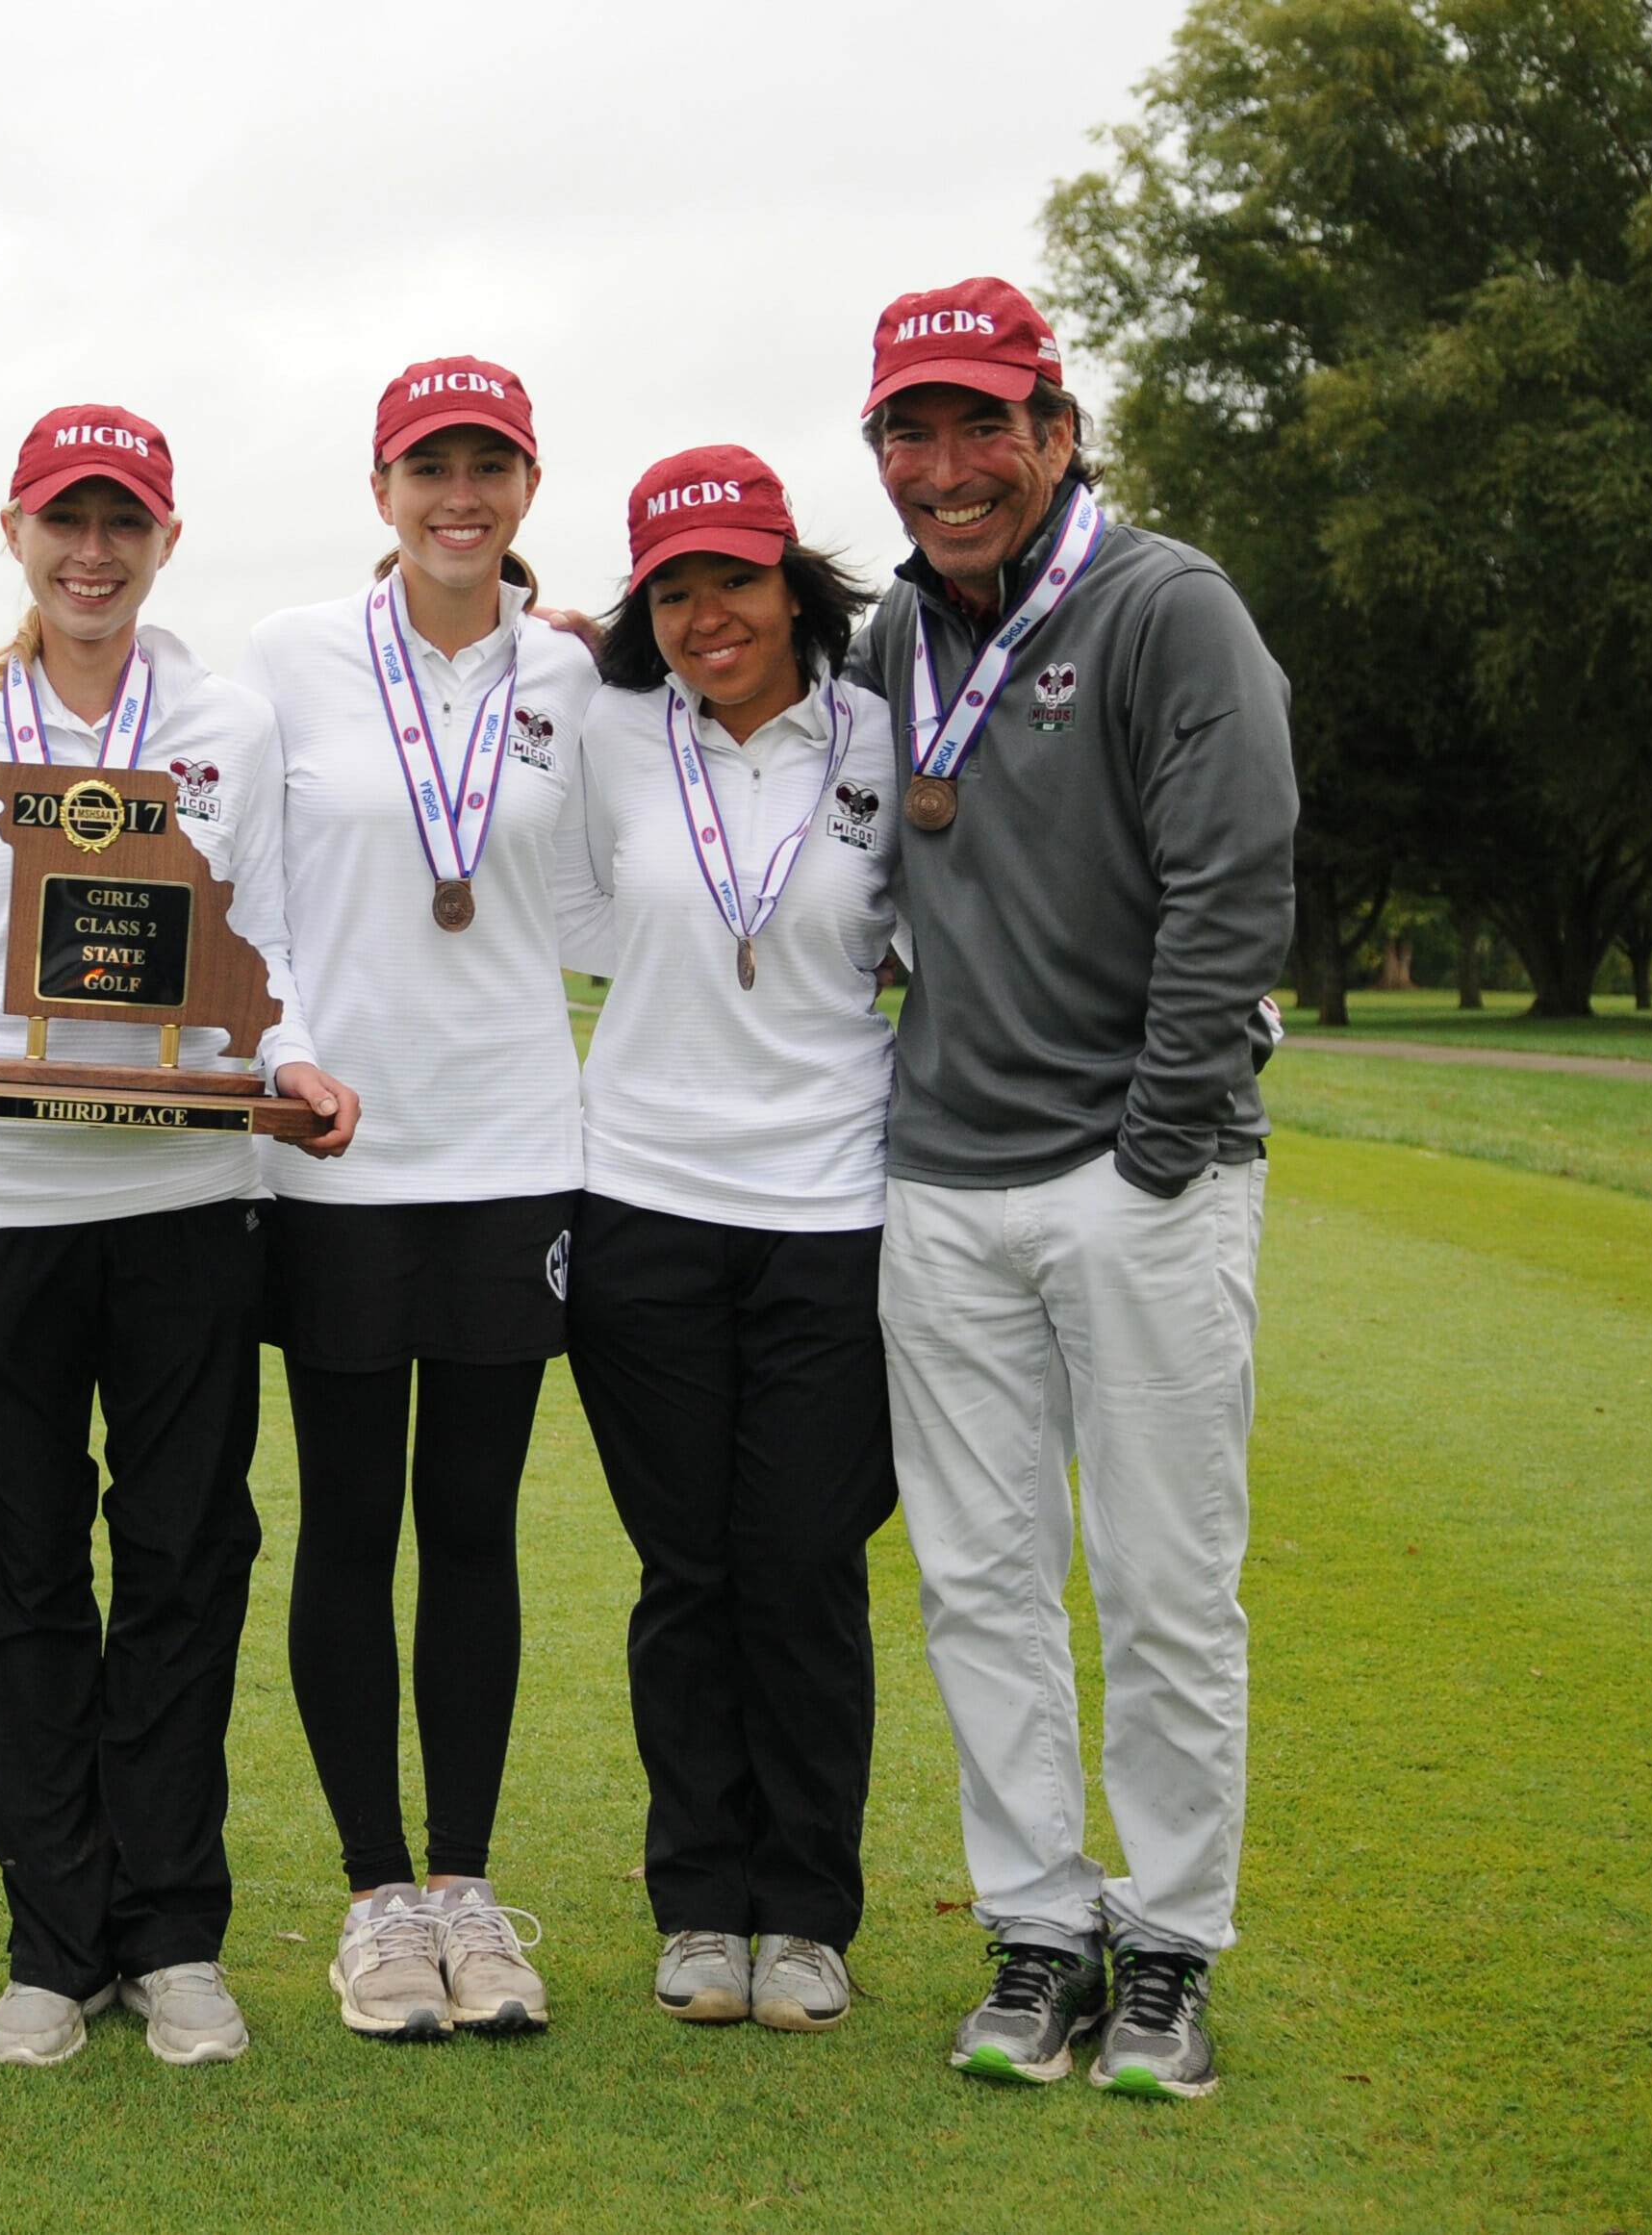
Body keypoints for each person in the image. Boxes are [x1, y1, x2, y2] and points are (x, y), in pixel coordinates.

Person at [0, 404, 354, 2070]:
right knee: (14, 1562)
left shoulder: (227, 721)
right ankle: (55, 1938)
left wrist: (292, 1059)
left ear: (167, 541)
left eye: (126, 522)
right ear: (16, 531)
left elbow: (271, 937)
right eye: (67, 519)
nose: (94, 552)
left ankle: (174, 1935)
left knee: (187, 1560)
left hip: (190, 1192)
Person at [852, 278, 1293, 2099]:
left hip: (1137, 1173)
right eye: (910, 433)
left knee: (1165, 1583)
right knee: (980, 1581)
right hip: (942, 1179)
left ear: (1057, 430)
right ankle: (1038, 1928)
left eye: (984, 426)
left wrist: (1157, 1148)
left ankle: (1170, 1945)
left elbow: (1234, 885)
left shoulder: (1166, 607)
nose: (948, 469)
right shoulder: (893, 633)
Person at [232, 357, 598, 2039]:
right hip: (338, 1153)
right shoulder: (289, 656)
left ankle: (465, 1888)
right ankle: (376, 1896)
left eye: (489, 466)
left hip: (516, 1149)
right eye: (429, 467)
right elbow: (244, 888)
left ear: (526, 488)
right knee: (348, 1522)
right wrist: (289, 1055)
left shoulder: (580, 673)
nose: (461, 495)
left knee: (472, 1525)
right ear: (381, 490)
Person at [554, 445, 904, 2039]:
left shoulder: (881, 733)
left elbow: (926, 928)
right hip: (641, 1200)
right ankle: (701, 1900)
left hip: (832, 1208)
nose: (710, 617)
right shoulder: (609, 729)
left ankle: (808, 1914)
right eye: (676, 592)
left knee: (804, 1568)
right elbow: (572, 909)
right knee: (688, 1573)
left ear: (793, 582)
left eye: (737, 581)